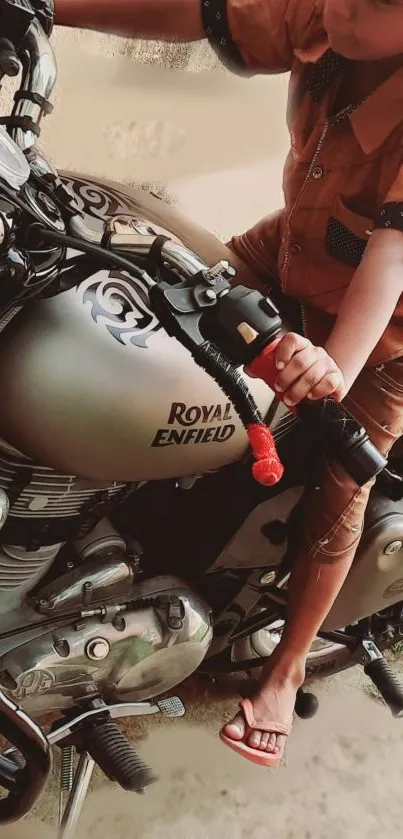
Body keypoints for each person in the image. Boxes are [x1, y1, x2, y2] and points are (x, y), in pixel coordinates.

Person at [54, 0, 403, 767]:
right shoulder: (325, 15)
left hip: (386, 335)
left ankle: (283, 671)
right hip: (283, 251)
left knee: (338, 484)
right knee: (123, 295)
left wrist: (333, 368)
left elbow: (393, 254)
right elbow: (197, 12)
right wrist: (42, 6)